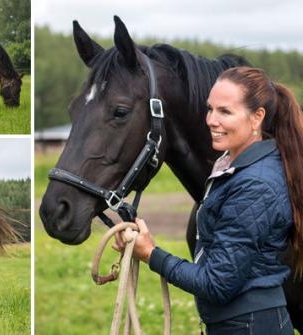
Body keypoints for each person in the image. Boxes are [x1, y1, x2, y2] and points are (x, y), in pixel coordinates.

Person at [118, 67, 303, 334]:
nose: (211, 120)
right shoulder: (236, 167)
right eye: (210, 109)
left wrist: (151, 254)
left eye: (225, 112)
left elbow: (216, 283)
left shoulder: (254, 185)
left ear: (257, 118)